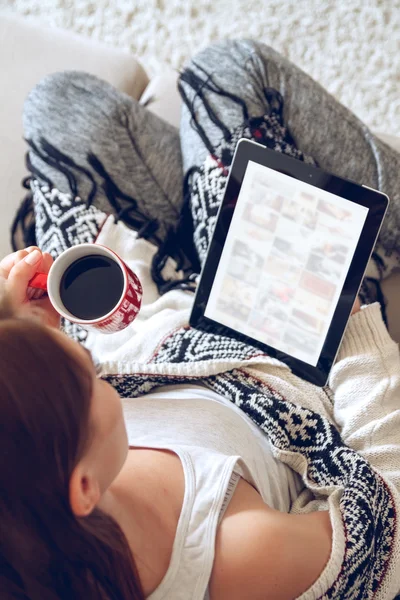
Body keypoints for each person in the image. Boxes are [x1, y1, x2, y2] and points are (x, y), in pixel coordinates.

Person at [2, 40, 400, 600]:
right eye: (84, 379)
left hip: (160, 306)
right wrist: (352, 321)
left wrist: (31, 329)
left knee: (59, 107)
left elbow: (54, 395)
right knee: (228, 72)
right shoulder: (235, 556)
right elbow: (389, 529)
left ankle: (198, 215)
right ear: (85, 485)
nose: (85, 362)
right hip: (275, 331)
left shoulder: (37, 487)